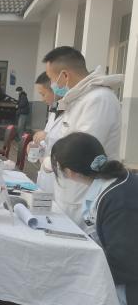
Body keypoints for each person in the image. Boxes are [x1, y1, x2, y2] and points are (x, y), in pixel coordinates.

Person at [50, 132, 138, 305]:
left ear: (69, 172)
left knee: (58, 295)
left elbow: (124, 262)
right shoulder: (117, 183)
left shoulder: (118, 200)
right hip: (122, 275)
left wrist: (78, 271)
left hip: (129, 292)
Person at [43, 46, 122, 222]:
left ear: (65, 75)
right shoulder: (78, 99)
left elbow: (80, 151)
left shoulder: (99, 100)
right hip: (69, 190)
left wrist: (49, 162)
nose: (53, 85)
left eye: (52, 79)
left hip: (84, 194)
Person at [32, 72, 63, 193]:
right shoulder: (54, 112)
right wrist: (37, 146)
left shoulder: (71, 112)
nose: (42, 99)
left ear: (55, 89)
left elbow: (70, 142)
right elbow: (48, 144)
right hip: (46, 174)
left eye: (43, 94)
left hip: (58, 179)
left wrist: (46, 136)